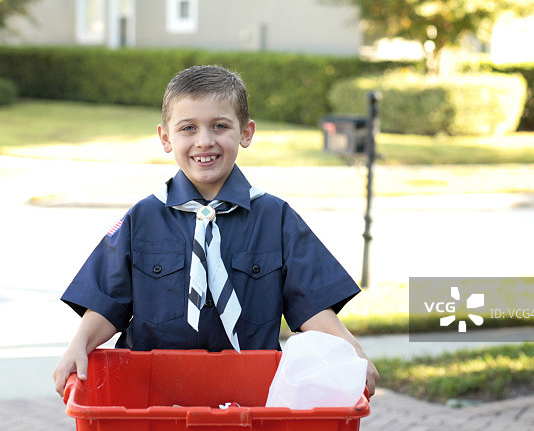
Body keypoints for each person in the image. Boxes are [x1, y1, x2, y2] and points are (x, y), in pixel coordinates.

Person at [52, 65, 379, 397]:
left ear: (246, 133)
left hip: (249, 396)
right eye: (188, 128)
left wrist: (351, 349)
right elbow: (107, 303)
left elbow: (311, 304)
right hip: (154, 397)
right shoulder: (143, 217)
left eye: (219, 126)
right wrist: (79, 344)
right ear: (166, 138)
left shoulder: (275, 217)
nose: (204, 141)